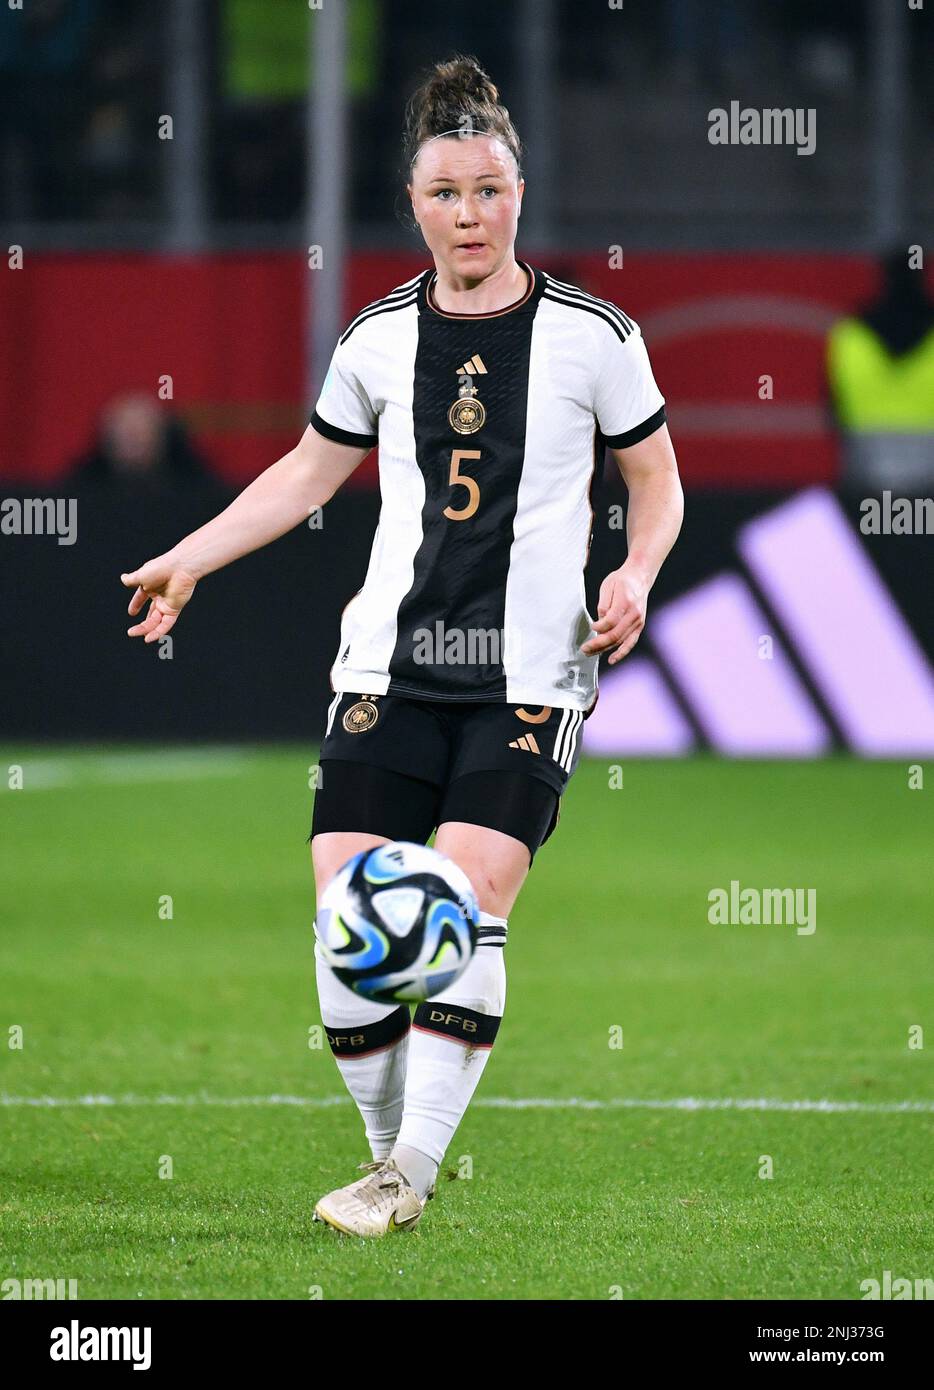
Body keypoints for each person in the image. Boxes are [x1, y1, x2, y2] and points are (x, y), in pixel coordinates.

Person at [120, 54, 684, 1239]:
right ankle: (392, 1157)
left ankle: (406, 1172)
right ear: (413, 203)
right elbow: (305, 474)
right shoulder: (377, 337)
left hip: (530, 672)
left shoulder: (595, 335)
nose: (468, 215)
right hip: (386, 666)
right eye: (444, 193)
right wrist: (193, 554)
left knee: (471, 895)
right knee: (351, 914)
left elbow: (656, 482)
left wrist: (633, 572)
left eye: (487, 190)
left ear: (518, 192)